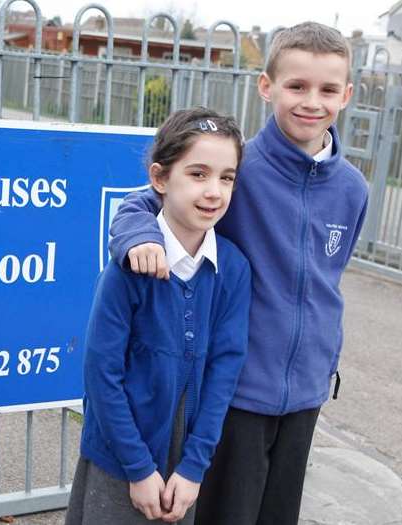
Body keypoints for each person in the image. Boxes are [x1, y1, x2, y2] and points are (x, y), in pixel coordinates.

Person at [107, 22, 369, 525]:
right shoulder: (238, 170)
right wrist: (137, 237)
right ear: (266, 86)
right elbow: (142, 203)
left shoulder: (353, 189)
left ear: (346, 95)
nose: (311, 101)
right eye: (296, 86)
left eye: (327, 89)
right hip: (239, 388)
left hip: (308, 387)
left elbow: (329, 275)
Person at [65, 107, 251, 525]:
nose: (214, 192)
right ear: (160, 178)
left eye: (227, 177)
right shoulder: (128, 269)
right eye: (198, 174)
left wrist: (193, 467)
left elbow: (225, 370)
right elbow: (102, 372)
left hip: (183, 463)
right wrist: (138, 468)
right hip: (121, 454)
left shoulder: (234, 271)